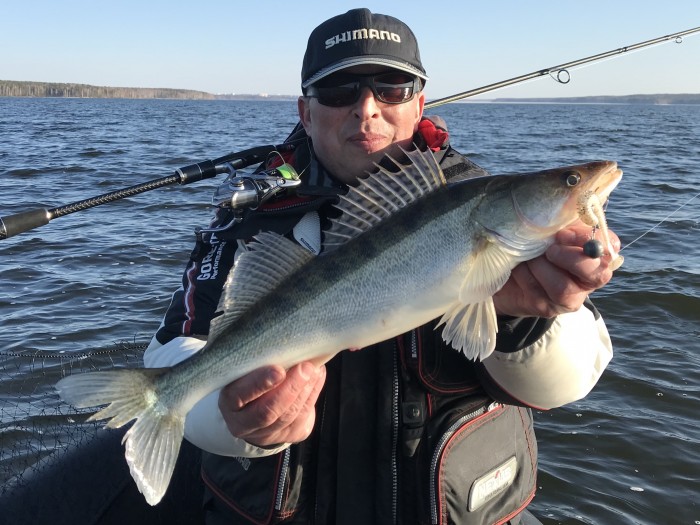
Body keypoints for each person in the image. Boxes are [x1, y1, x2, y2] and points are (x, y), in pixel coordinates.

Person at [144, 8, 618, 525]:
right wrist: (234, 419)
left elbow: (563, 387)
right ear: (306, 112)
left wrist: (525, 319)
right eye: (338, 91)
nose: (366, 109)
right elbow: (176, 347)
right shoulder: (251, 222)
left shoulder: (480, 199)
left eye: (391, 88)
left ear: (419, 103)